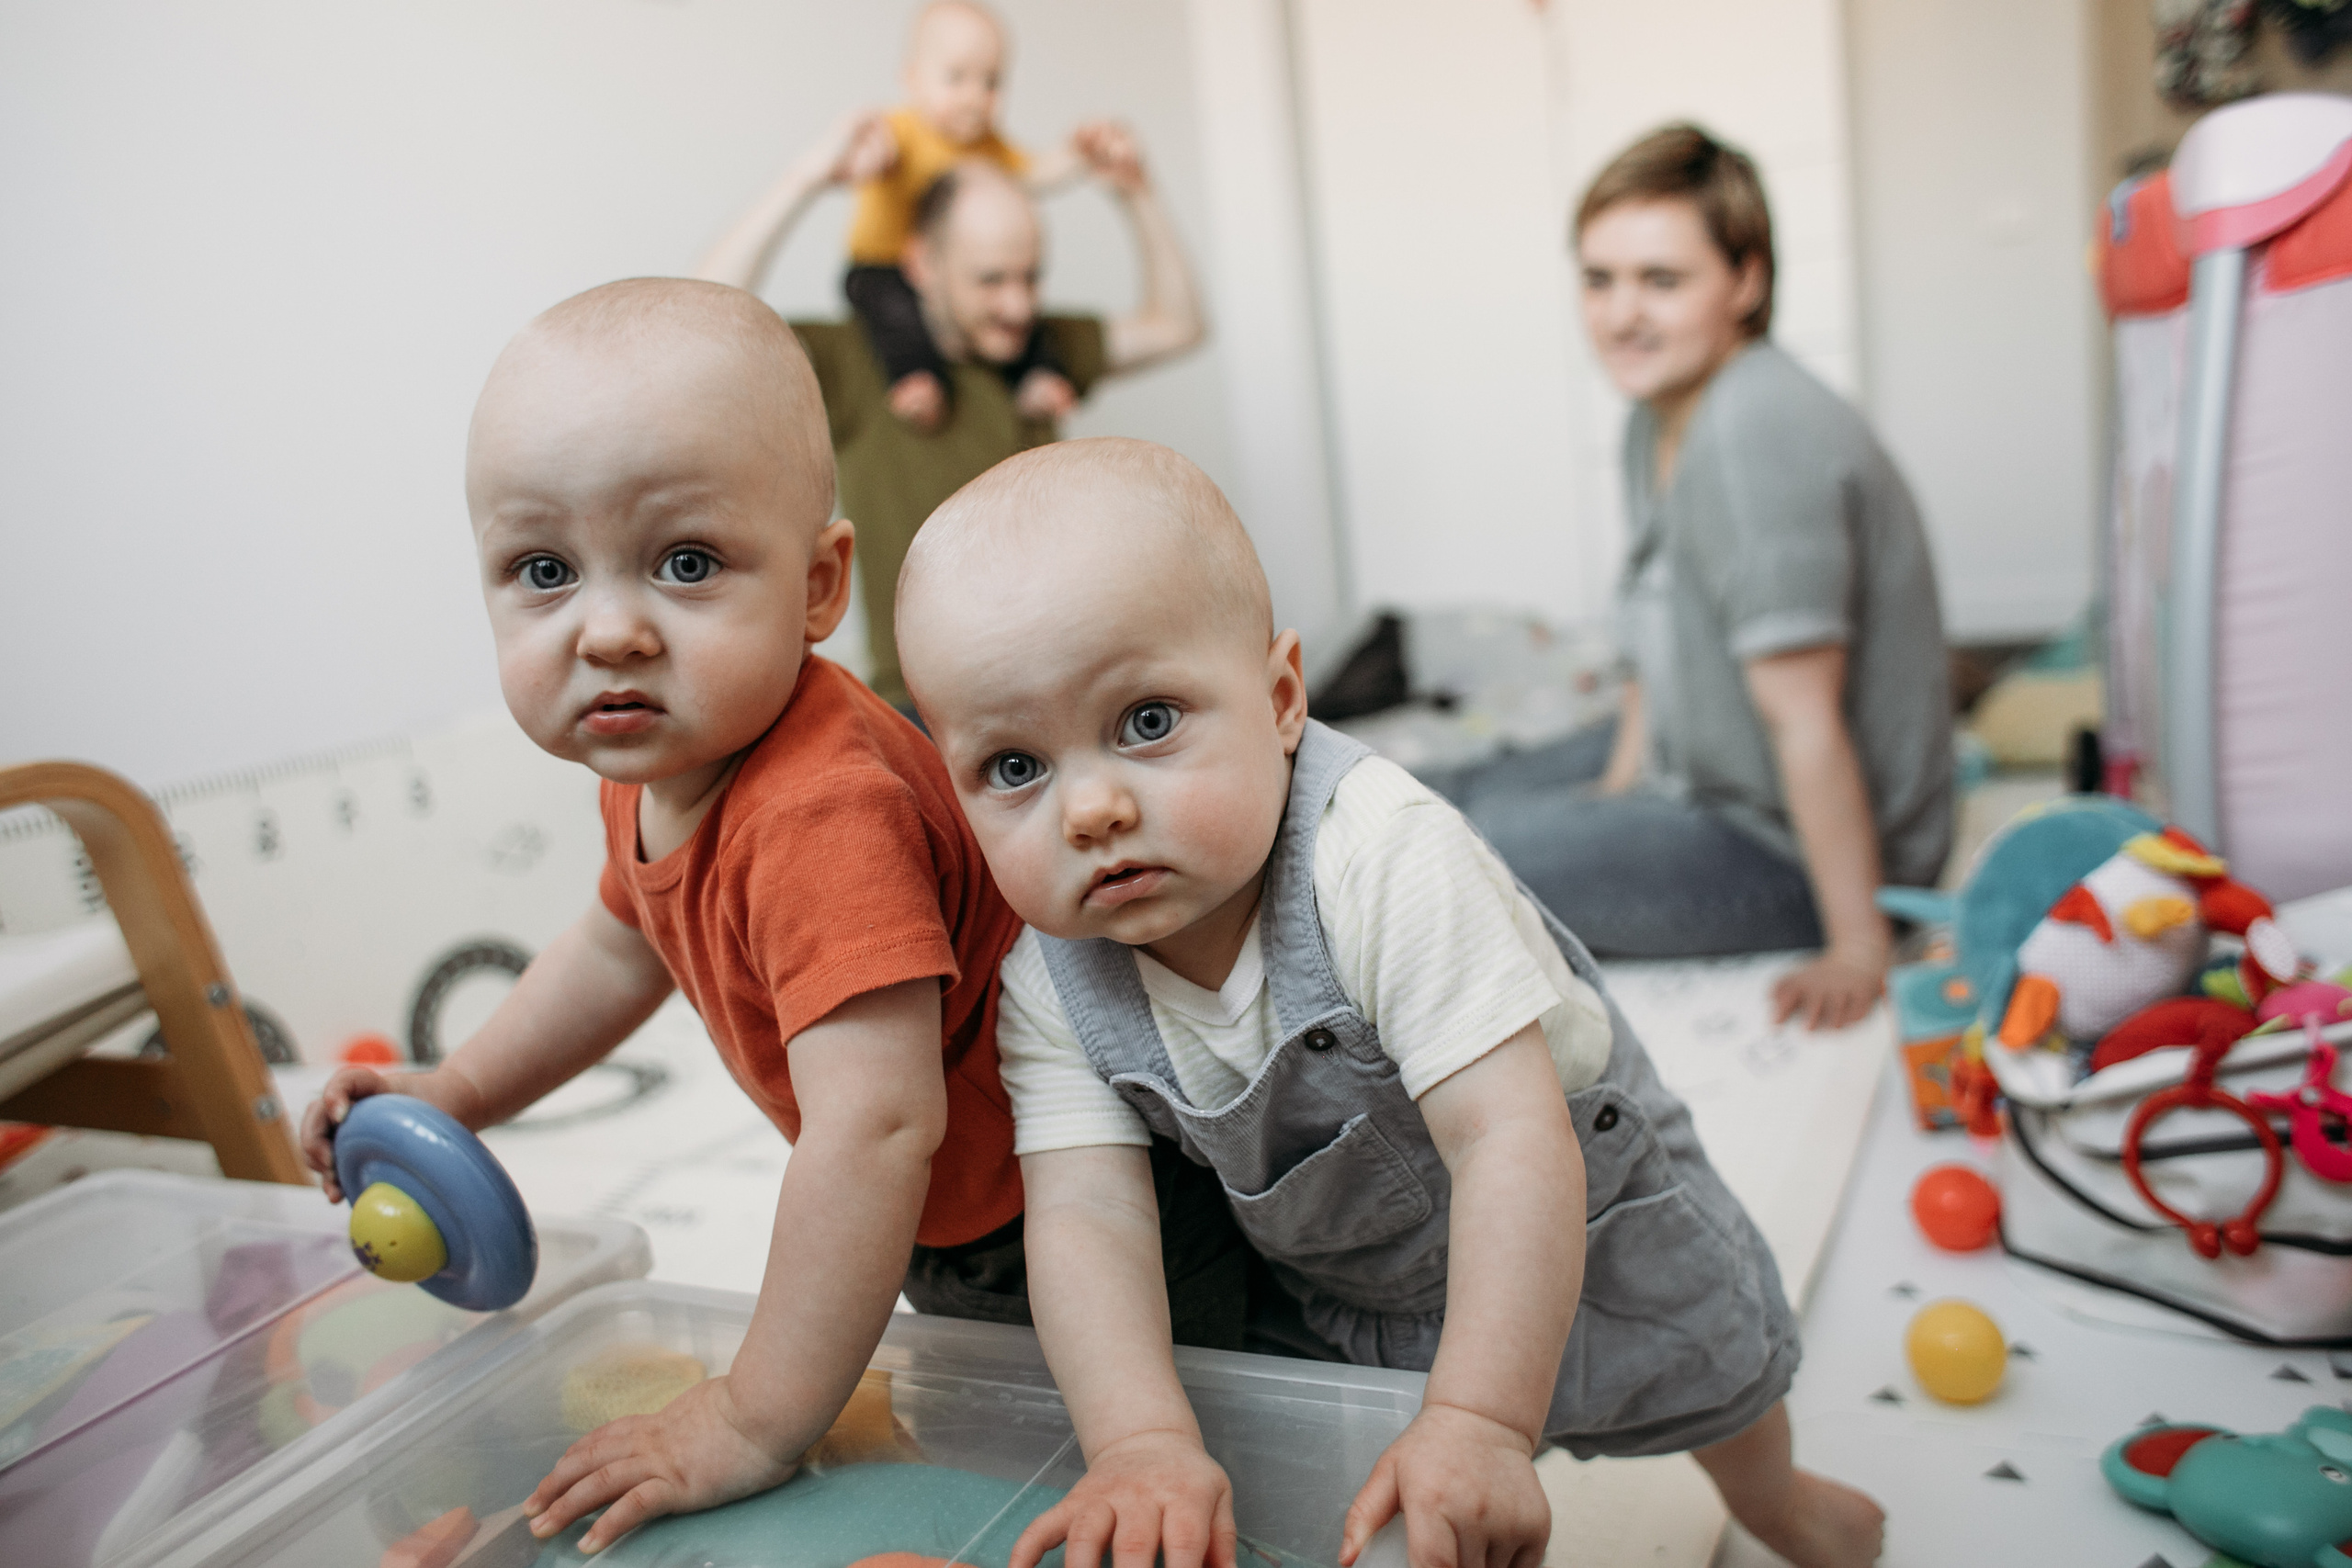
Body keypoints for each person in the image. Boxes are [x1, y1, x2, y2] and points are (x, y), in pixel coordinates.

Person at [295, 282, 1242, 1551]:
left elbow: (875, 1125)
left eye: (686, 563)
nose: (610, 630)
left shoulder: (818, 810)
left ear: (818, 585)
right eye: (543, 572)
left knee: (1127, 1494)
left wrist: (752, 1417)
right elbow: (617, 946)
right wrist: (459, 1088)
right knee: (995, 1479)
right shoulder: (659, 761)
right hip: (951, 1214)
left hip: (1079, 1214)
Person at [896, 438, 1886, 1568]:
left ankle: (1778, 1501)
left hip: (1575, 1200)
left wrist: (1480, 1422)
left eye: (1149, 721)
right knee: (1354, 1488)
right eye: (1014, 768)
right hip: (1345, 1271)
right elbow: (1086, 1215)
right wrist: (1139, 1442)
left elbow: (1509, 1140)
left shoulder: (1378, 857)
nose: (1091, 809)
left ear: (1280, 700)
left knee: (1703, 1371)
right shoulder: (1050, 976)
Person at [1434, 123, 1952, 1032]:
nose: (1620, 315)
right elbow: (1652, 641)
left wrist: (1858, 946)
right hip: (1701, 770)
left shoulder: (1755, 430)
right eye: (1599, 279)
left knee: (1439, 854)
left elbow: (1804, 718)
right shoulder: (1656, 412)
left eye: (1661, 281)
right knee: (1438, 793)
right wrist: (1612, 804)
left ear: (1746, 281)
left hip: (1791, 849)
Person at [699, 116, 1203, 714]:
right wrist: (803, 179)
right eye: (991, 280)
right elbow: (704, 325)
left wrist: (1136, 194)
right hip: (923, 708)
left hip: (1065, 686)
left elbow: (1177, 325)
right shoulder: (853, 360)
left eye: (1031, 277)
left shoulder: (1040, 353)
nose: (1018, 305)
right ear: (922, 265)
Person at [842, 0, 1097, 432]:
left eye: (991, 82)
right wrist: (868, 156)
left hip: (947, 277)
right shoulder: (901, 131)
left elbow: (1035, 173)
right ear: (912, 79)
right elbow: (868, 152)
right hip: (881, 265)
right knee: (898, 320)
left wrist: (1077, 156)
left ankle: (1038, 377)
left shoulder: (991, 146)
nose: (975, 98)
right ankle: (917, 378)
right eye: (956, 78)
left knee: (1025, 320)